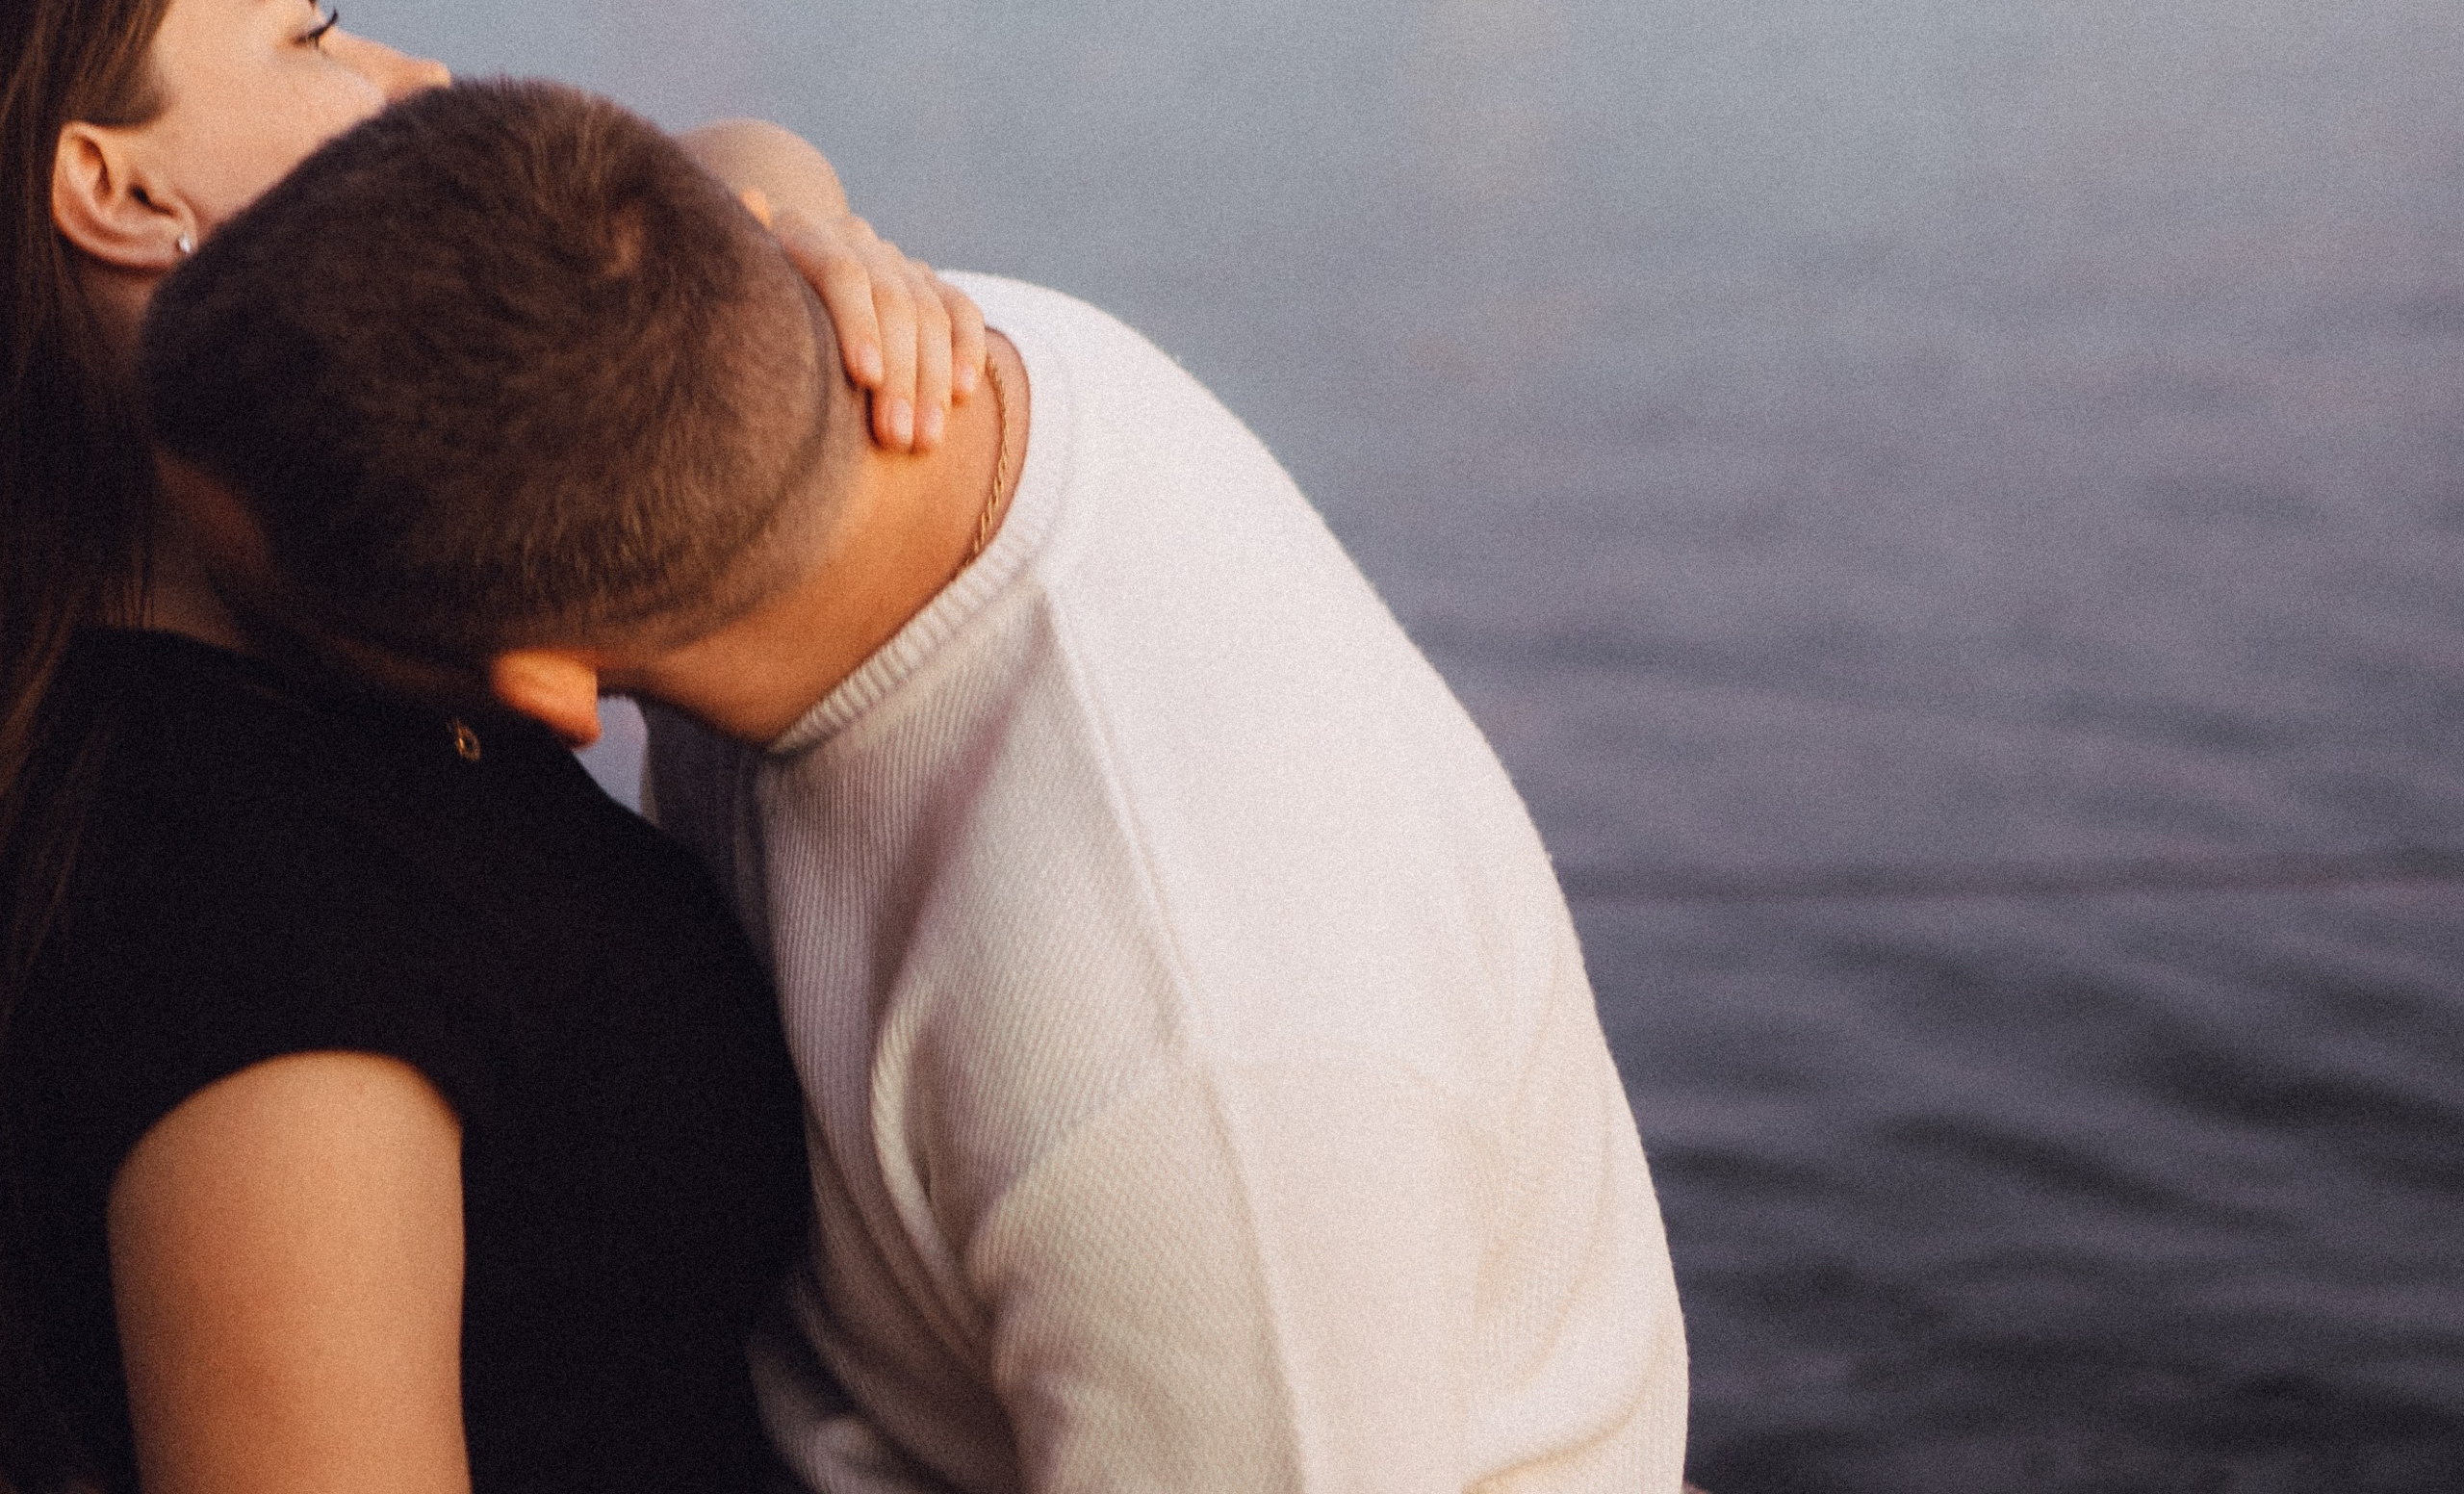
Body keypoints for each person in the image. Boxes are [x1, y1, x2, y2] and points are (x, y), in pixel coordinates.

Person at [146, 74, 1693, 1494]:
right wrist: (787, 197)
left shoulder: (1181, 1065)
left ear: (546, 685)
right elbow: (694, 175)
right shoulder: (840, 372)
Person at [0, 0, 979, 1494]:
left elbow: (695, 167)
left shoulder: (318, 608)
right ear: (121, 189)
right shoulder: (245, 919)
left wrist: (791, 243)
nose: (415, 72)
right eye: (306, 35)